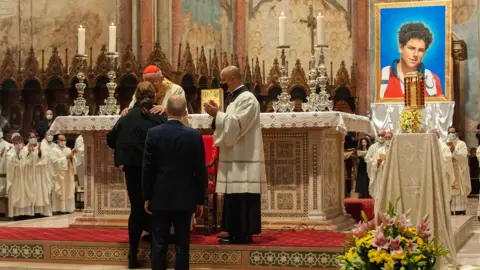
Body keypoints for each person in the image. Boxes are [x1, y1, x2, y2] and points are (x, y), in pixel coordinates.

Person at [107, 81, 168, 269]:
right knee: (156, 209)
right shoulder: (159, 116)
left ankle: (132, 253)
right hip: (155, 170)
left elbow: (111, 139)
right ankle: (159, 258)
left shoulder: (126, 116)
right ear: (154, 95)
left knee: (136, 208)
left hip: (133, 169)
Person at [203, 66, 266, 245]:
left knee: (242, 195)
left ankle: (242, 235)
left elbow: (236, 125)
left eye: (223, 79)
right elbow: (228, 124)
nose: (221, 83)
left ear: (232, 78)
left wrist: (217, 114)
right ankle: (234, 231)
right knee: (234, 195)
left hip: (244, 157)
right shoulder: (234, 100)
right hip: (236, 155)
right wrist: (218, 116)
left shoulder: (247, 99)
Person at [143, 94, 206, 270]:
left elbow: (148, 168)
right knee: (182, 243)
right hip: (185, 197)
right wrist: (200, 200)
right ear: (185, 111)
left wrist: (147, 196)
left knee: (158, 242)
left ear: (167, 111)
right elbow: (200, 170)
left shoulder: (153, 133)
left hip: (160, 195)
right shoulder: (194, 136)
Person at [379, 22, 442, 99]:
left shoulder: (432, 80)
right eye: (411, 48)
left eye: (421, 50)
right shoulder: (381, 77)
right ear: (401, 47)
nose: (416, 54)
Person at [121, 65, 189, 126]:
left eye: (154, 82)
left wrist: (167, 109)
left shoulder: (175, 90)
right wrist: (128, 110)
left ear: (162, 78)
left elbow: (182, 112)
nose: (150, 86)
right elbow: (134, 107)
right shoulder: (142, 90)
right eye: (147, 82)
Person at [21, 131, 52, 217]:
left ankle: (40, 210)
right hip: (30, 174)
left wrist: (39, 152)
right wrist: (29, 153)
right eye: (31, 137)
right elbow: (24, 162)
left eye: (34, 137)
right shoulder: (24, 149)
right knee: (32, 191)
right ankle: (32, 211)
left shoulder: (41, 147)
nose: (33, 139)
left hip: (39, 173)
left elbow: (45, 157)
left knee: (40, 191)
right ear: (28, 139)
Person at [6, 133, 34, 218]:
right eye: (16, 143)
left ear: (22, 142)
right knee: (16, 194)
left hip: (25, 176)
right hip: (15, 178)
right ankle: (16, 214)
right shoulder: (10, 152)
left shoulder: (26, 150)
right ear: (13, 143)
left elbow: (31, 161)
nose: (18, 145)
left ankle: (26, 213)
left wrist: (29, 154)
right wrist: (17, 154)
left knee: (25, 194)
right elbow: (10, 163)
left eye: (19, 143)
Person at [365, 130, 392, 212]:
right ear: (377, 136)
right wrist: (376, 162)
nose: (381, 137)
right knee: (378, 194)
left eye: (383, 136)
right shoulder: (372, 147)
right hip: (378, 174)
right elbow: (367, 159)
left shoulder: (390, 147)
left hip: (388, 174)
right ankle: (378, 212)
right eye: (379, 135)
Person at [446, 126, 471, 215]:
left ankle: (460, 209)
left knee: (459, 190)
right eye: (449, 132)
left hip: (459, 172)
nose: (451, 134)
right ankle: (449, 210)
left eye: (453, 132)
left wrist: (454, 152)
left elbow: (464, 157)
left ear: (457, 133)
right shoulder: (445, 144)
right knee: (449, 189)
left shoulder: (461, 144)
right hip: (449, 172)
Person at [50, 134, 77, 214]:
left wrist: (72, 157)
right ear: (58, 141)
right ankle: (58, 209)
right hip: (59, 174)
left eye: (65, 140)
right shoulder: (53, 150)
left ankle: (68, 209)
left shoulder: (68, 149)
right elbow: (54, 162)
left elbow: (74, 161)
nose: (63, 142)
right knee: (60, 190)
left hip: (67, 174)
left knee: (68, 190)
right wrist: (65, 158)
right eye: (62, 140)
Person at [0, 129, 12, 199]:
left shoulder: (5, 143)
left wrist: (9, 149)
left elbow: (11, 146)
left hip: (4, 166)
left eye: (1, 131)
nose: (0, 132)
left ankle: (4, 193)